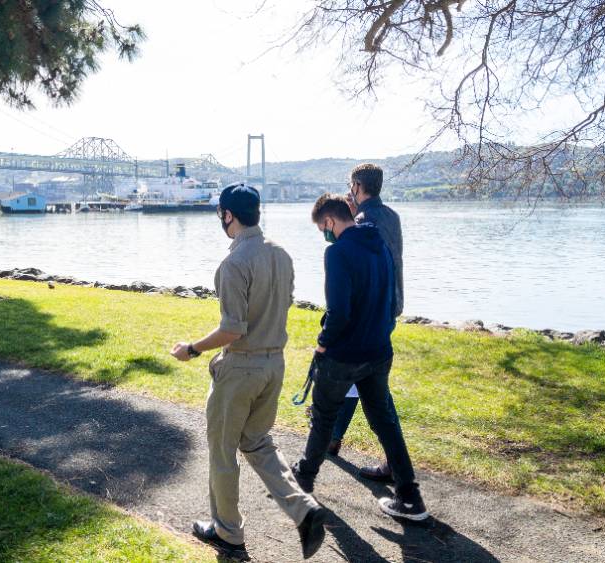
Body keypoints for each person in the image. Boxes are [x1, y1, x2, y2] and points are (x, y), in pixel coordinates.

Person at [170, 183, 328, 561]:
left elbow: (232, 328)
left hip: (241, 367)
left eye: (220, 215)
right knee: (256, 442)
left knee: (223, 451)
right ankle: (304, 509)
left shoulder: (233, 263)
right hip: (275, 364)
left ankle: (228, 533)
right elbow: (282, 305)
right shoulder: (282, 254)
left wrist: (191, 349)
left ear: (228, 215)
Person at [292, 194, 428, 521]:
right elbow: (386, 295)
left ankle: (304, 481)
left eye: (322, 228)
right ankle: (410, 496)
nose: (323, 234)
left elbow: (338, 311)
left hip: (344, 354)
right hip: (379, 350)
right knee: (385, 421)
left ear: (329, 221)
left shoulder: (337, 253)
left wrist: (323, 343)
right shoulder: (379, 244)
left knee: (324, 417)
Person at [329, 163, 406, 482]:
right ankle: (332, 438)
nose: (350, 191)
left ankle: (395, 466)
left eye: (351, 186)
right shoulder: (392, 216)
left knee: (371, 387)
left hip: (367, 312)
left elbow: (346, 264)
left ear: (359, 186)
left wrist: (347, 220)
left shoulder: (361, 222)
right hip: (390, 307)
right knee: (367, 381)